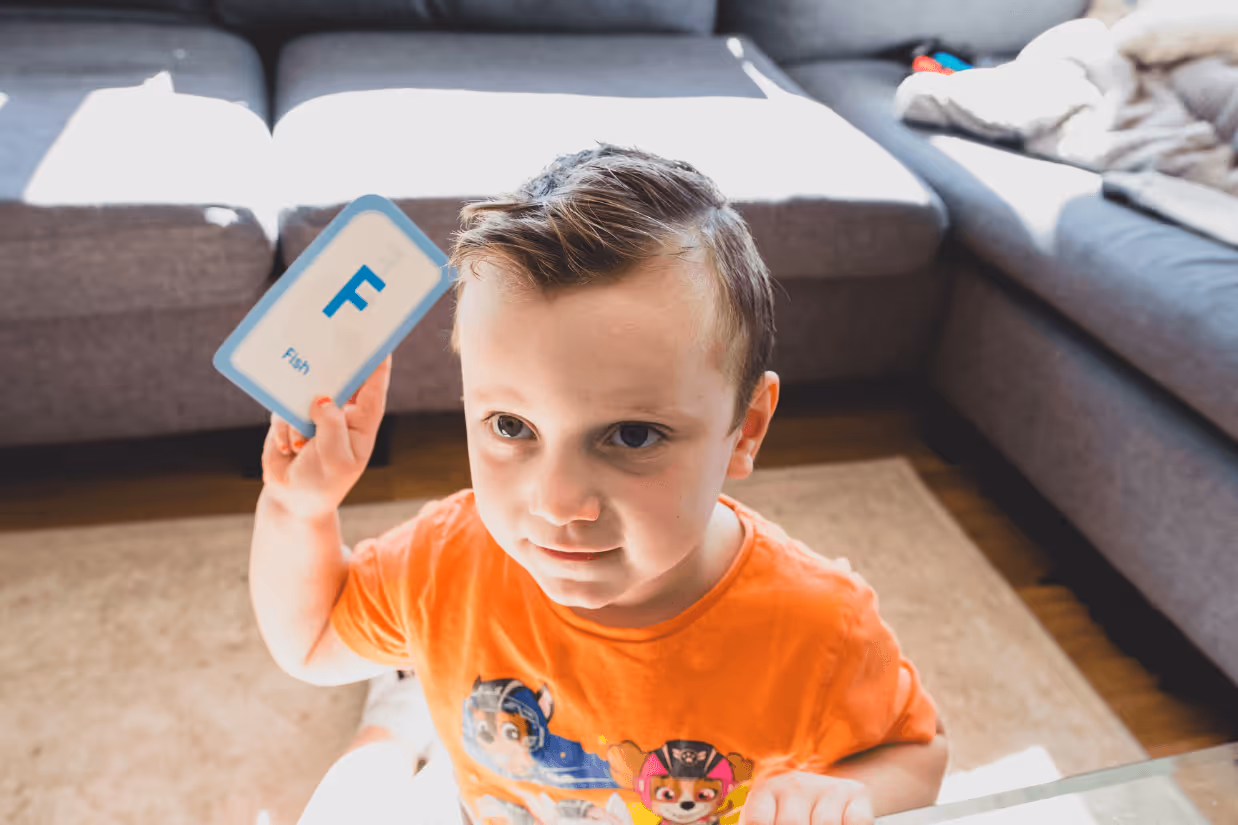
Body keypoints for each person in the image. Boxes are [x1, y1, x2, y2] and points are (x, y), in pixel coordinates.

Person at [250, 144, 950, 825]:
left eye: (633, 435)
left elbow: (915, 752)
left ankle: (399, 722)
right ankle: (397, 725)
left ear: (747, 429)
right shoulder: (446, 559)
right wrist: (298, 506)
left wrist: (842, 794)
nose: (557, 504)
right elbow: (311, 641)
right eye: (511, 426)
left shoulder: (819, 628)